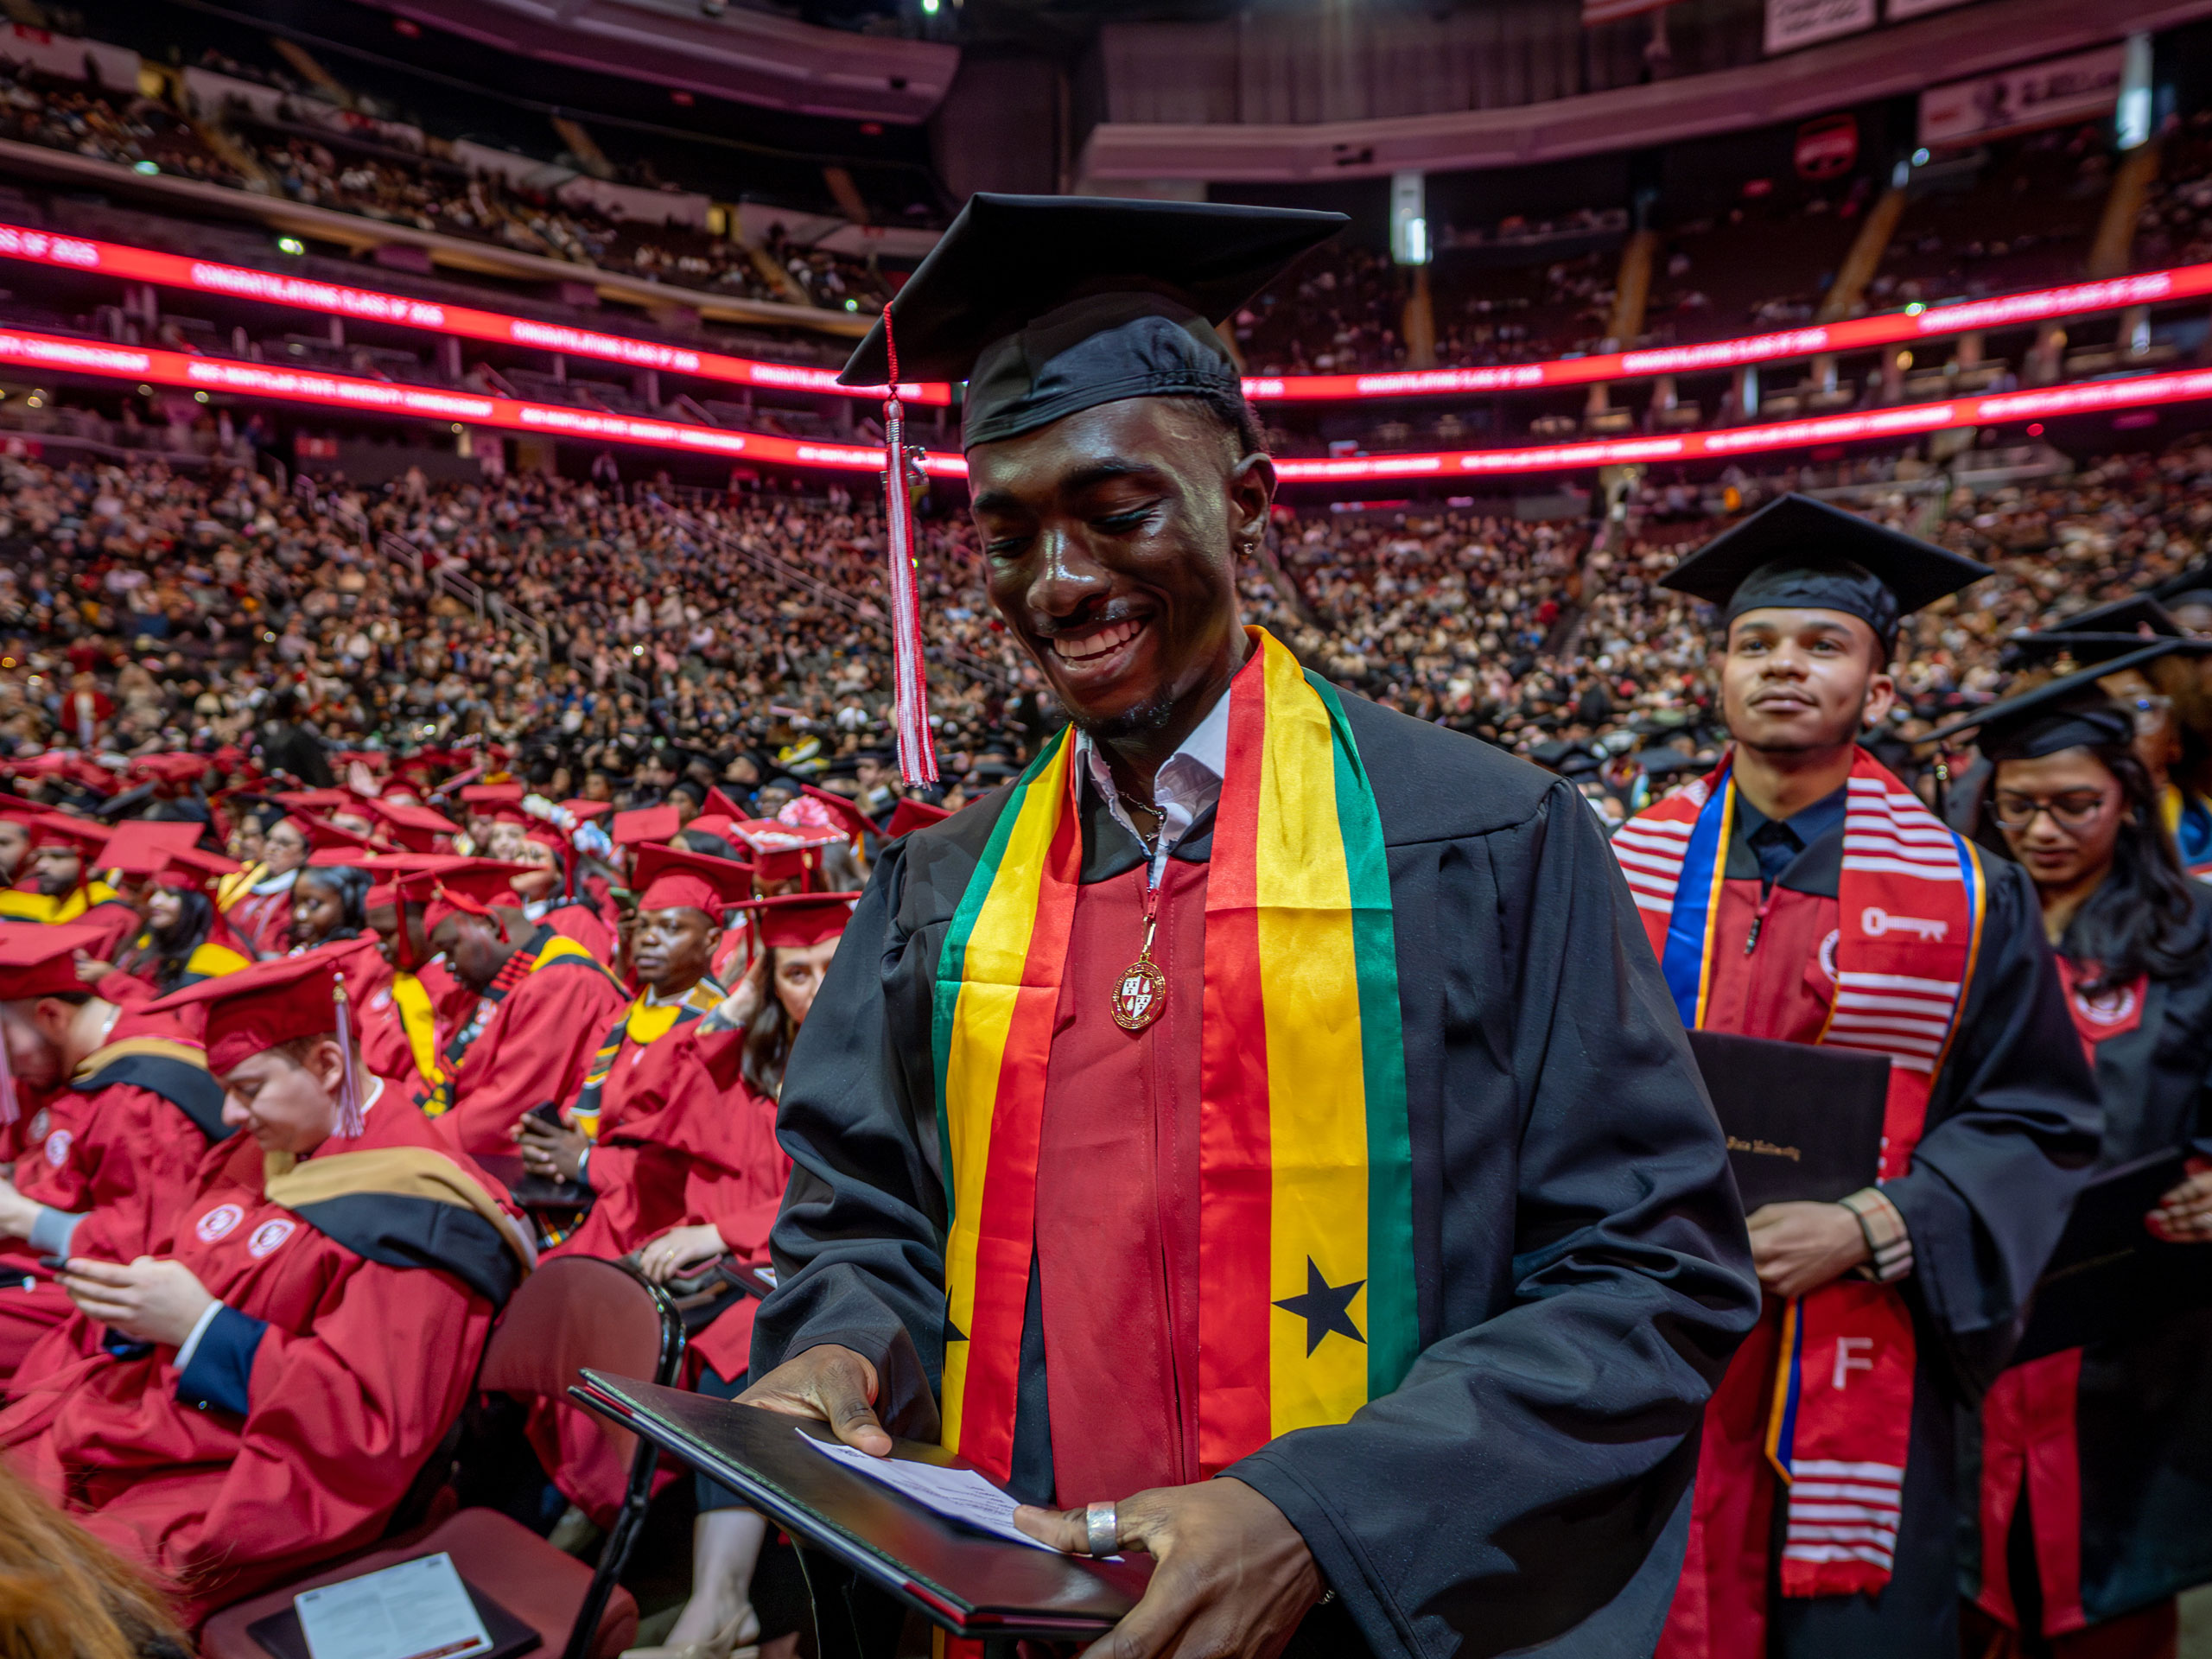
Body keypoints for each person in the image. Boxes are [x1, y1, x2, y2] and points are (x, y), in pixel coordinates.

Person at [741, 195, 1761, 1659]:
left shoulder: (1485, 838)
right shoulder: (939, 889)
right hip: (1024, 1613)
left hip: (1362, 1613)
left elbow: (1652, 1271)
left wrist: (1315, 1515)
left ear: (1252, 501)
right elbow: (867, 1215)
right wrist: (839, 1354)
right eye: (1010, 533)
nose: (1062, 583)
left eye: (1121, 511)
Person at [1609, 494, 2103, 1659]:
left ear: (1880, 690)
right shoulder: (1616, 868)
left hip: (1856, 1332)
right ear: (1716, 675)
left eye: (1824, 644)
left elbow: (2038, 1118)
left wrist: (1874, 1225)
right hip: (1650, 1323)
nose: (1786, 666)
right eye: (1757, 642)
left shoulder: (1970, 897)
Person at [0, 950, 531, 1630]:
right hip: (160, 1420)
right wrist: (137, 1307)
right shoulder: (275, 1145)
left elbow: (370, 1428)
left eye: (248, 1088)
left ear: (328, 1067)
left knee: (44, 1596)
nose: (229, 1112)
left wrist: (203, 1328)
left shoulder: (417, 1220)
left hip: (268, 1476)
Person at [1936, 666, 2212, 1658]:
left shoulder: (2194, 932)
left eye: (2074, 805)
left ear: (2128, 803)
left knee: (2107, 1593)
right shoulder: (1952, 933)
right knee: (1961, 1576)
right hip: (1972, 1307)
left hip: (2134, 1317)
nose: (2043, 831)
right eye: (2017, 807)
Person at [0, 922, 228, 1380]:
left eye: (3, 1042)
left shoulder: (140, 1102)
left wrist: (22, 1217)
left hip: (100, 1303)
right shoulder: (64, 1060)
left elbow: (143, 1259)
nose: (7, 1069)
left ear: (50, 1014)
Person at [399, 864, 631, 1157]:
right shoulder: (512, 978)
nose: (447, 967)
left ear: (493, 925)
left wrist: (415, 1145)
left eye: (450, 949)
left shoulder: (561, 981)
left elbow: (506, 1108)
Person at [22, 817, 140, 956]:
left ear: (91, 867)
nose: (40, 866)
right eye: (40, 856)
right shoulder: (47, 907)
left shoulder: (115, 917)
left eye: (57, 857)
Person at [226, 816, 308, 958]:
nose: (272, 848)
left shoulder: (298, 895)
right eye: (270, 839)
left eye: (284, 843)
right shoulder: (249, 878)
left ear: (305, 853)